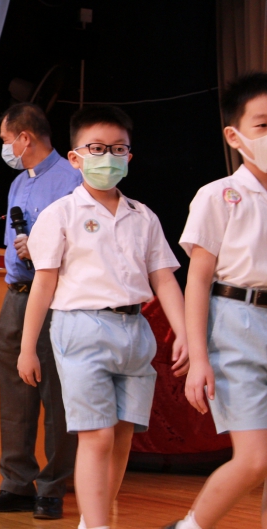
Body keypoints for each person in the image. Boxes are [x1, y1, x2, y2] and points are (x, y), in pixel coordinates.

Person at [19, 105, 188, 529]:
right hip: (81, 327)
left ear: (129, 156)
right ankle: (97, 526)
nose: (108, 157)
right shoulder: (60, 213)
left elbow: (164, 279)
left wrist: (185, 333)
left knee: (122, 437)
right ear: (75, 158)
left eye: (118, 149)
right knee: (96, 434)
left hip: (135, 329)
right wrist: (27, 348)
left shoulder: (142, 215)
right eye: (96, 148)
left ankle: (93, 521)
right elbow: (43, 283)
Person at [164, 73, 267, 529]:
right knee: (255, 458)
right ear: (234, 135)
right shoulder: (218, 195)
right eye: (263, 125)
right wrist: (199, 357)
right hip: (236, 324)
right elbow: (198, 279)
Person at [0, 102, 82, 520]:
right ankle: (16, 483)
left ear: (25, 138)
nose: (6, 149)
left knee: (55, 395)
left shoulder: (73, 178)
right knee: (14, 395)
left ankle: (52, 488)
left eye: (7, 141)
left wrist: (39, 247)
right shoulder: (18, 182)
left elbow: (82, 243)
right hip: (16, 294)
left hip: (55, 297)